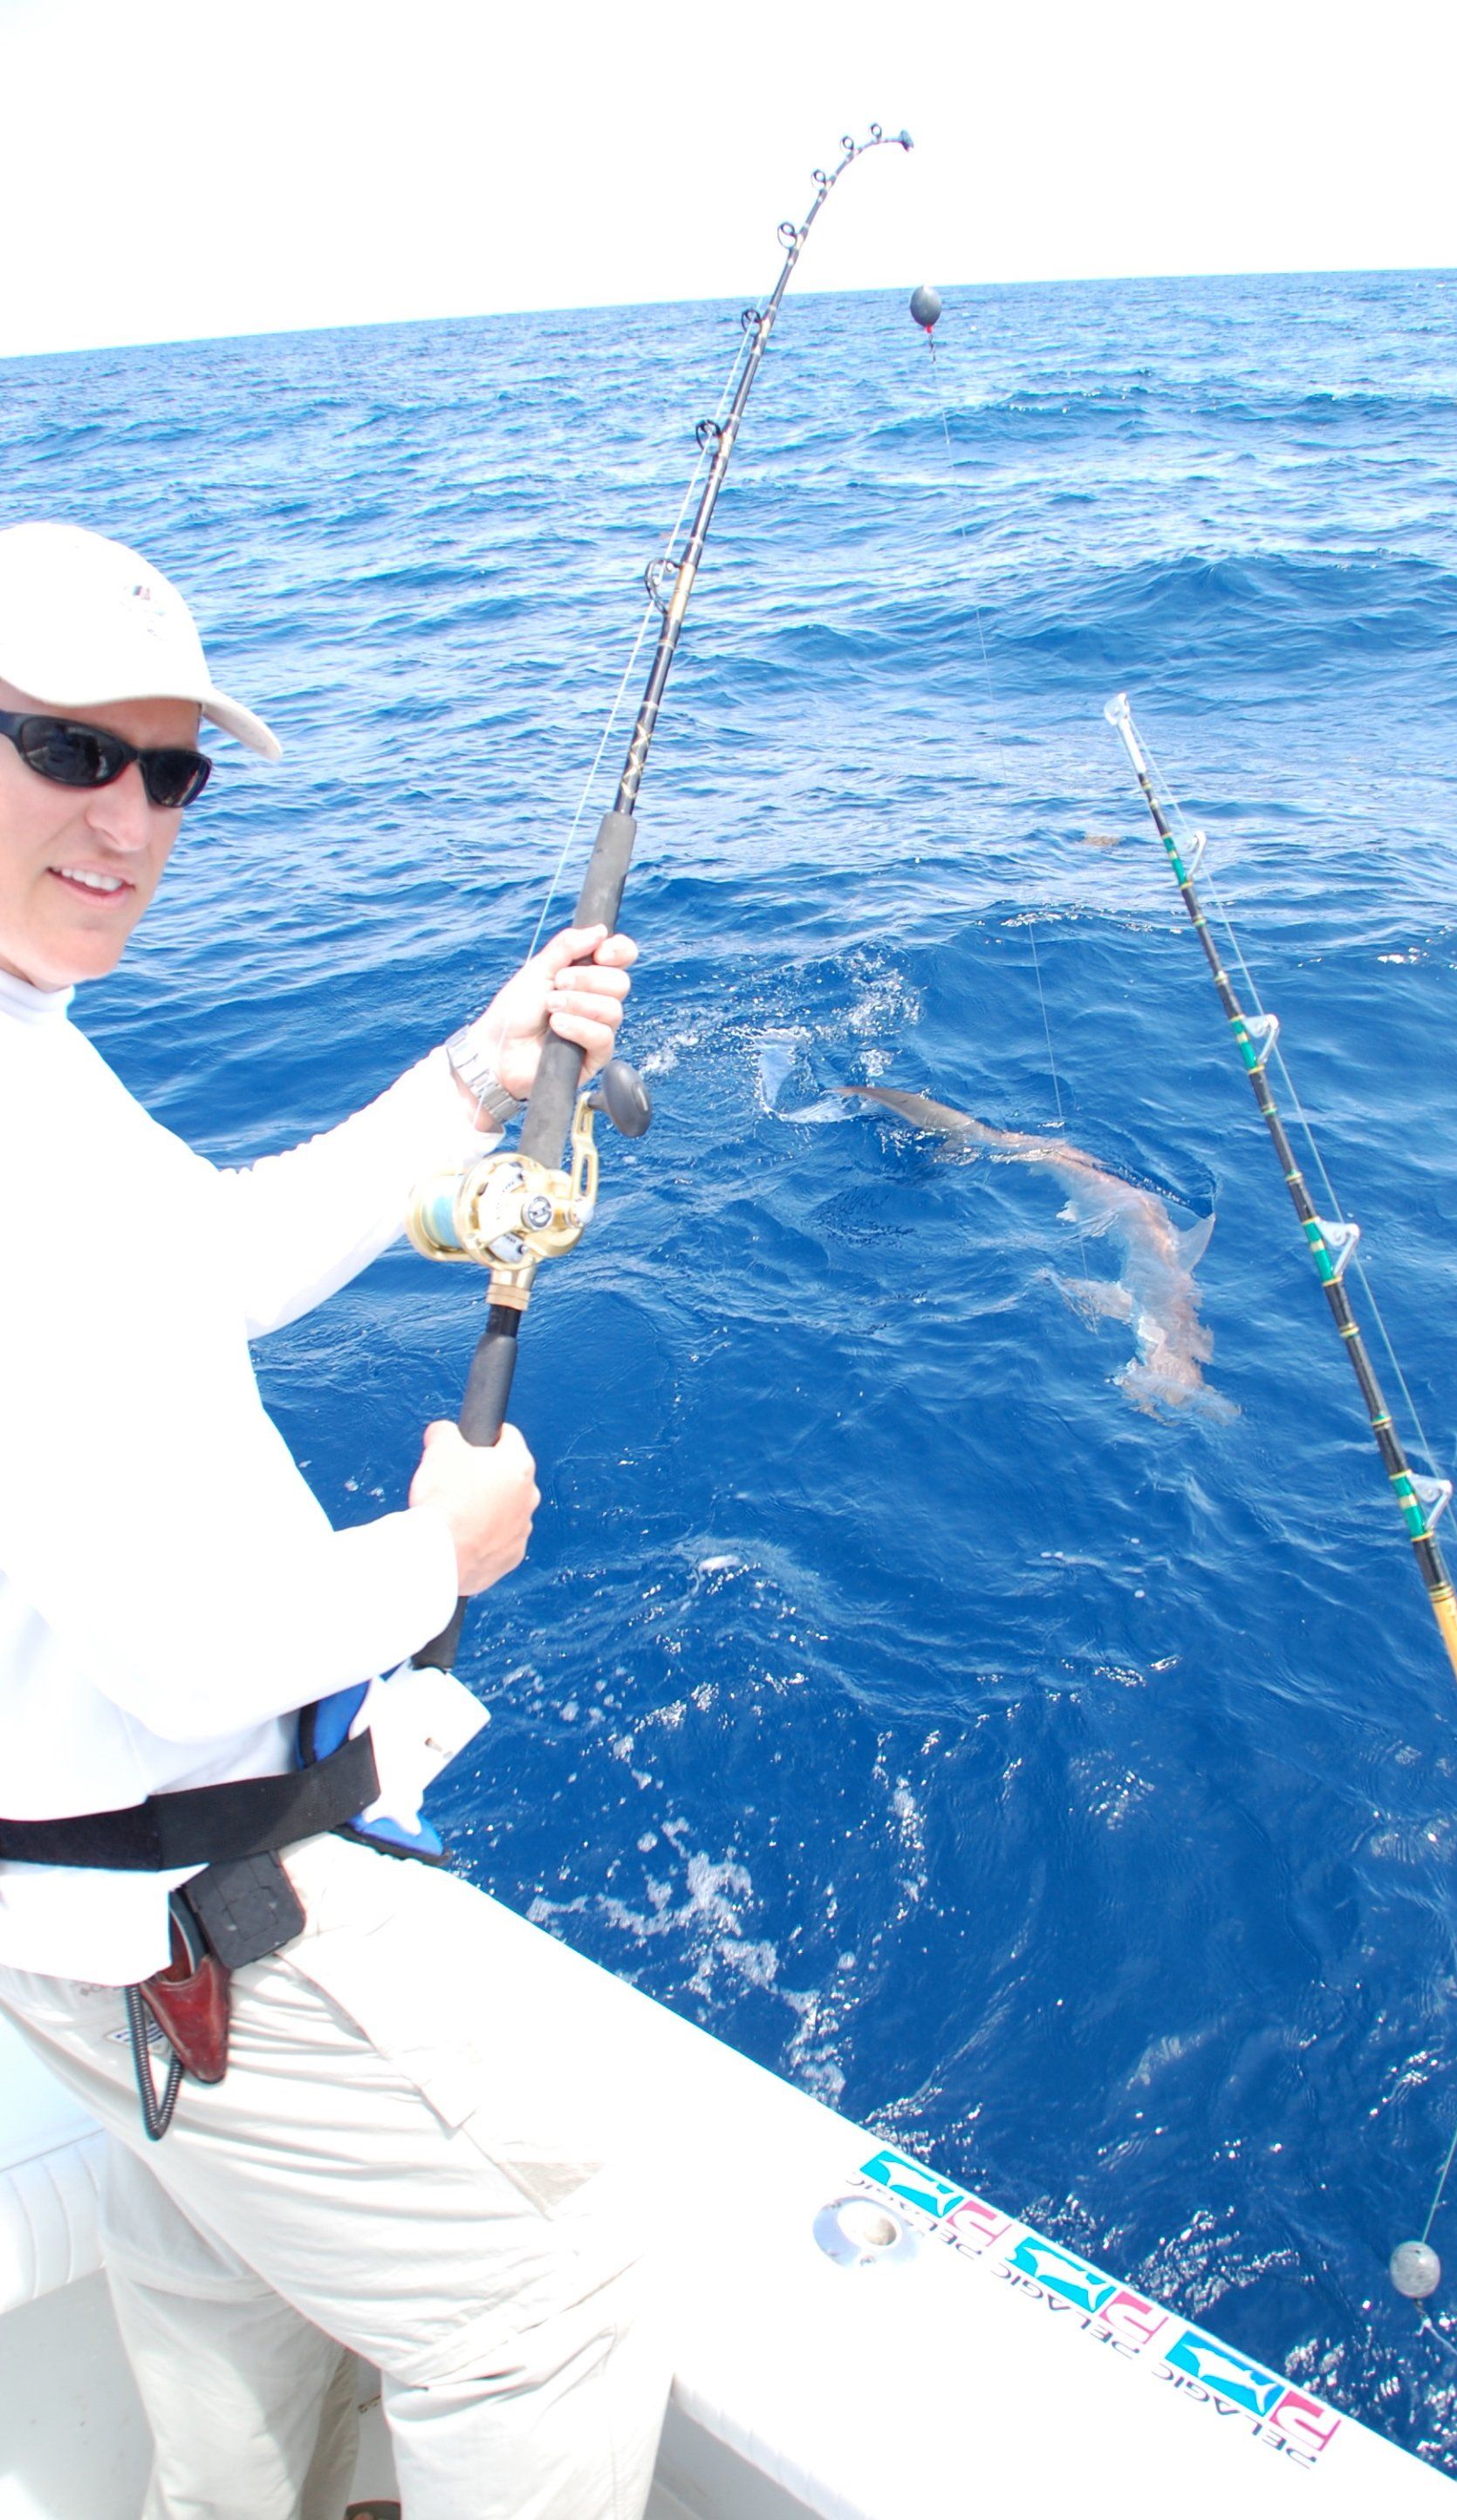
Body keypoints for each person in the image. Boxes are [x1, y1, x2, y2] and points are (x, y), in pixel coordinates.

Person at [0, 520, 669, 2520]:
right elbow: (174, 1648)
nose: (129, 818)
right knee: (549, 2318)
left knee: (220, 2266)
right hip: (181, 1898)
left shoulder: (29, 1053)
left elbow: (202, 1258)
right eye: (68, 750)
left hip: (92, 1906)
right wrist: (432, 1555)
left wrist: (477, 1071)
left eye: (172, 770)